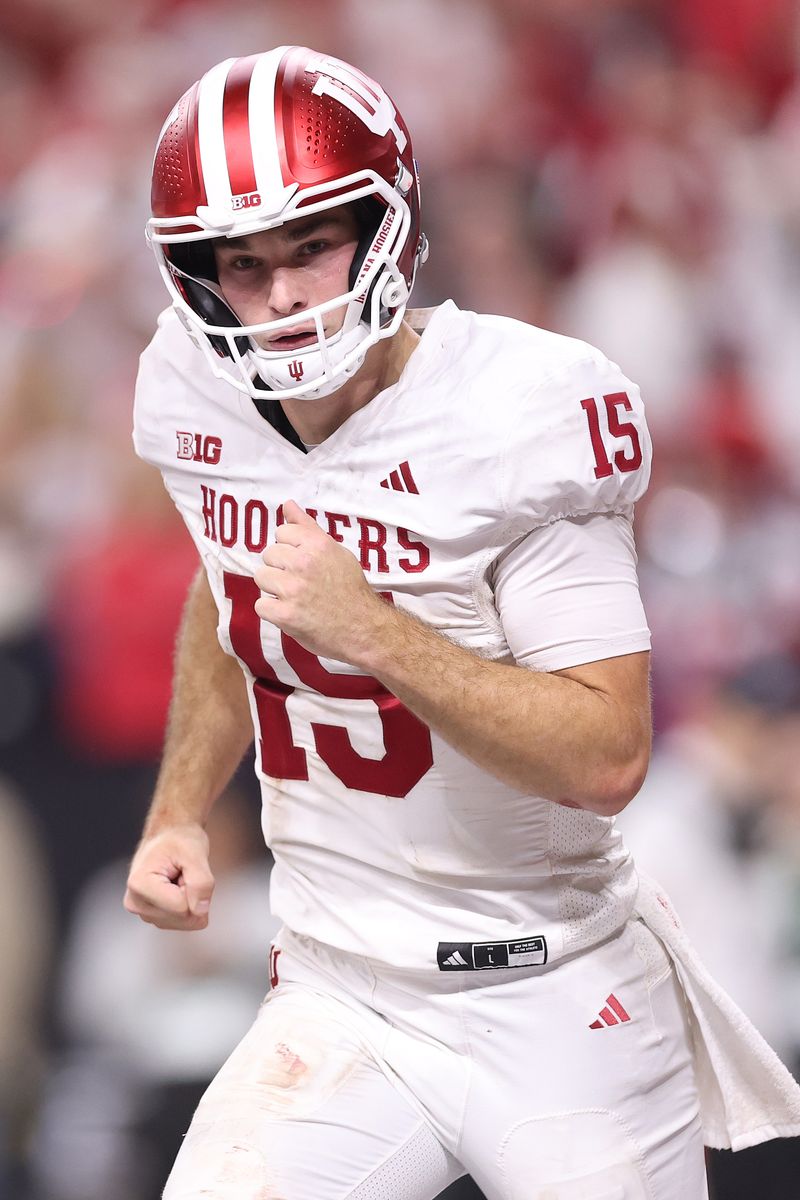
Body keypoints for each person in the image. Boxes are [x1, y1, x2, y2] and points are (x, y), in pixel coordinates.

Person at [124, 45, 800, 1200]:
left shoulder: (516, 409)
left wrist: (379, 630)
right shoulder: (190, 385)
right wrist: (181, 809)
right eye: (242, 265)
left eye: (309, 247)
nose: (282, 297)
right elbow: (229, 583)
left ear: (385, 229)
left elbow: (604, 754)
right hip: (336, 991)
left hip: (549, 997)